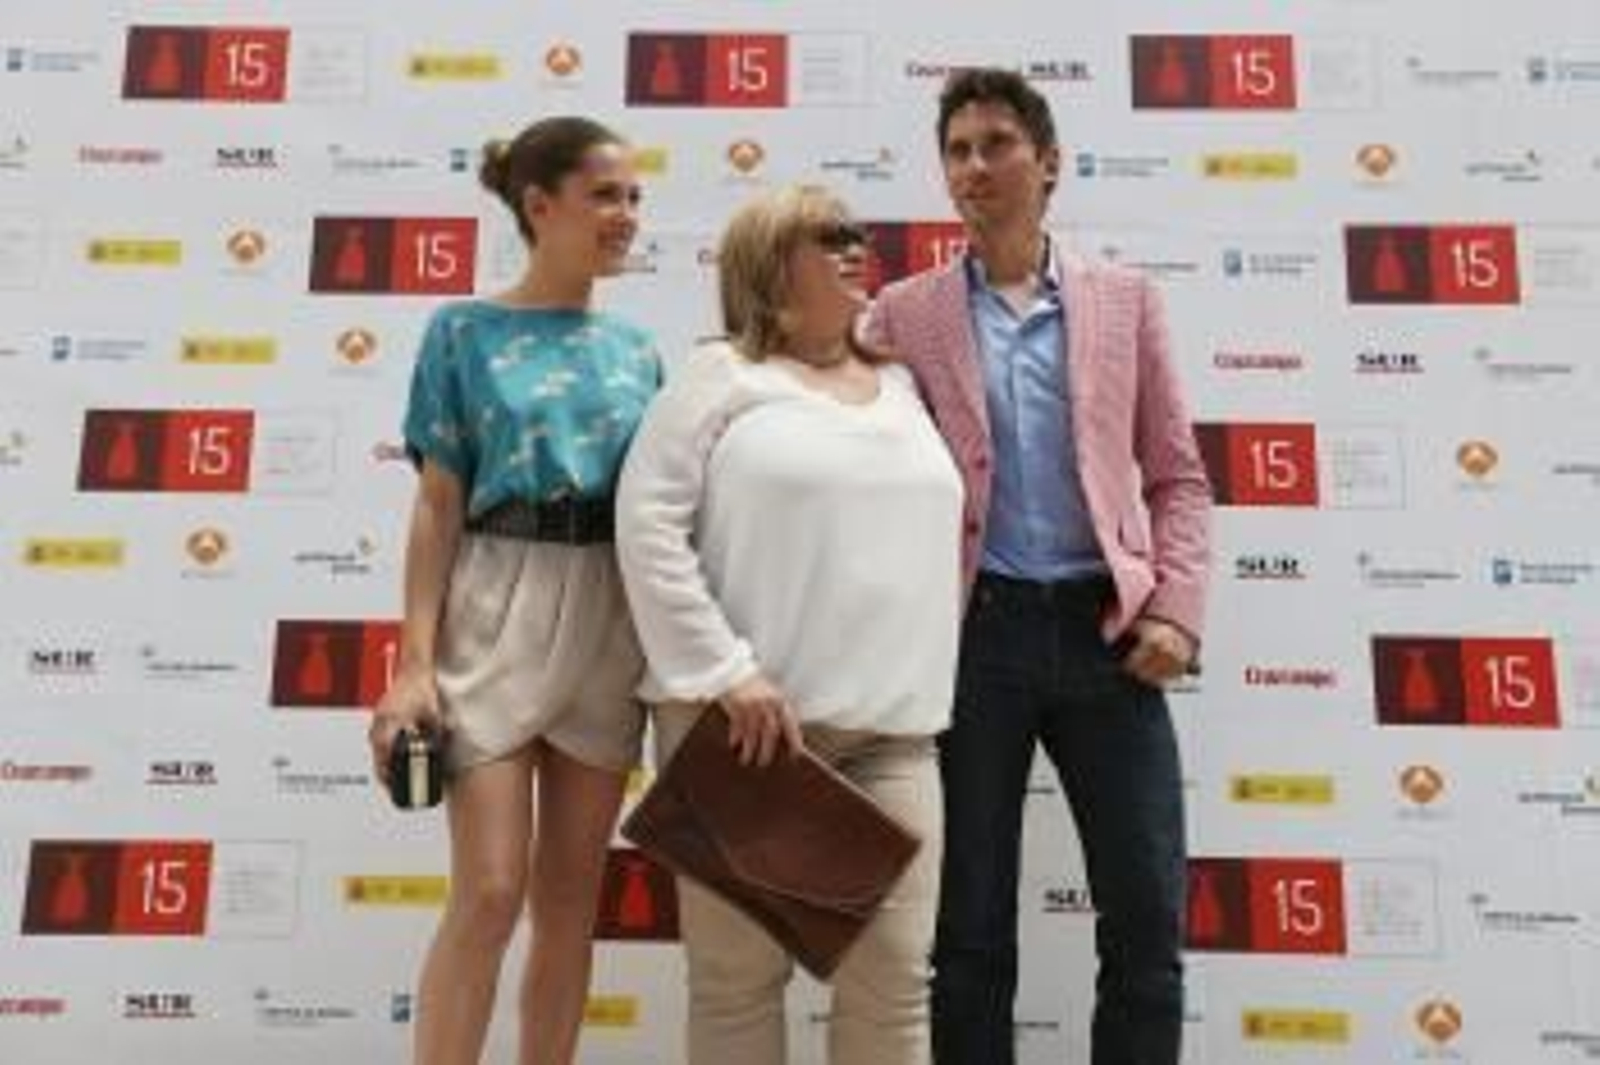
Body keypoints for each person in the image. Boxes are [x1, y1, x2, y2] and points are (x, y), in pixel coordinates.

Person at [864, 69, 1212, 1065]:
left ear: (1049, 163)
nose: (975, 165)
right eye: (958, 150)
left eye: (997, 143)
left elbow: (1179, 477)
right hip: (973, 640)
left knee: (1147, 923)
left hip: (1110, 634)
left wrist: (1176, 613)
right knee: (966, 931)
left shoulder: (1125, 302)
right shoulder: (903, 312)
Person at [615, 184, 964, 1065]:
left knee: (893, 991)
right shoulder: (721, 377)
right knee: (736, 991)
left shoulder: (905, 384)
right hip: (746, 736)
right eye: (825, 236)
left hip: (894, 737)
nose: (855, 246)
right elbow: (646, 523)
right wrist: (727, 671)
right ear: (770, 266)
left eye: (856, 232)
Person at [367, 115, 659, 1065]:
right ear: (540, 206)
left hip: (606, 615)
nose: (627, 215)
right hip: (494, 605)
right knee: (490, 892)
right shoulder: (463, 331)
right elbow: (437, 505)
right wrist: (412, 667)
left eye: (634, 197)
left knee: (572, 906)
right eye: (606, 194)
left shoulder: (639, 350)